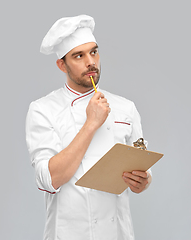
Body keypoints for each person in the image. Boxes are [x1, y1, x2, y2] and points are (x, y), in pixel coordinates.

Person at [25, 14, 152, 240]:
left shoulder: (126, 108)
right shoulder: (43, 109)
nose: (90, 62)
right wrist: (91, 124)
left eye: (94, 52)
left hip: (117, 233)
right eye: (78, 56)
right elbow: (49, 179)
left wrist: (143, 181)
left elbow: (141, 163)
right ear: (61, 65)